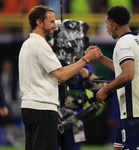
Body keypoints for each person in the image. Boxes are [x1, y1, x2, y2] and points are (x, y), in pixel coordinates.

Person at [18, 5, 102, 150]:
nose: (54, 27)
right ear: (39, 22)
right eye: (51, 22)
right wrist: (86, 59)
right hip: (43, 109)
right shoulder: (42, 45)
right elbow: (62, 75)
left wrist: (86, 73)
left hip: (35, 108)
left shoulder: (27, 44)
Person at [87, 5, 139, 150]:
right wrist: (100, 58)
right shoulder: (136, 38)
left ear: (114, 25)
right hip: (134, 108)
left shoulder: (124, 43)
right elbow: (123, 69)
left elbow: (128, 75)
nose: (106, 27)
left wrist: (105, 89)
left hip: (135, 109)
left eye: (106, 23)